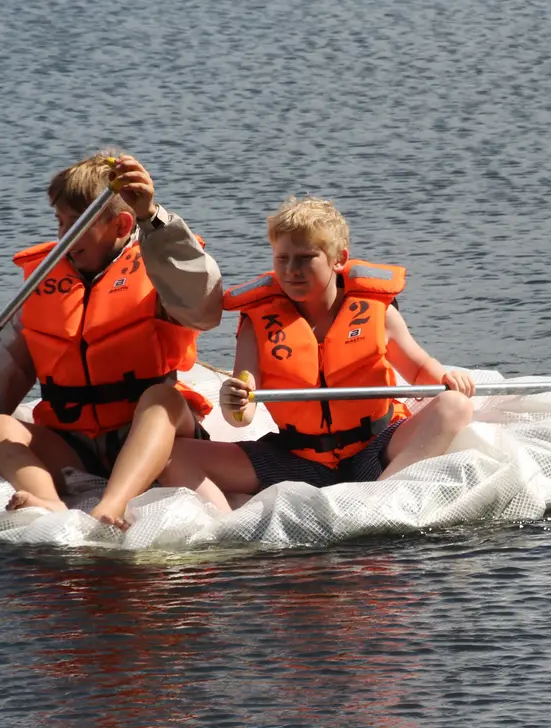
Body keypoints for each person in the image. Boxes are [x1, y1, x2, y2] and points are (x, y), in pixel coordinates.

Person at [0, 151, 222, 528]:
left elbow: (203, 306)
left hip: (149, 441)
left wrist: (152, 218)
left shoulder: (160, 268)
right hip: (73, 445)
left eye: (75, 225)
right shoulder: (43, 284)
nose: (63, 237)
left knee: (163, 399)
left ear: (122, 224)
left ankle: (113, 504)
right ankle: (47, 500)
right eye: (60, 223)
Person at [158, 196, 475, 512]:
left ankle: (379, 501)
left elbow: (419, 371)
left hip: (375, 447)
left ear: (339, 259)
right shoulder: (257, 323)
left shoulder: (377, 313)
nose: (291, 270)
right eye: (282, 258)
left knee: (454, 406)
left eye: (305, 257)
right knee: (173, 457)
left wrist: (448, 379)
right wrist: (235, 403)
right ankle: (228, 529)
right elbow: (243, 415)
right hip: (295, 458)